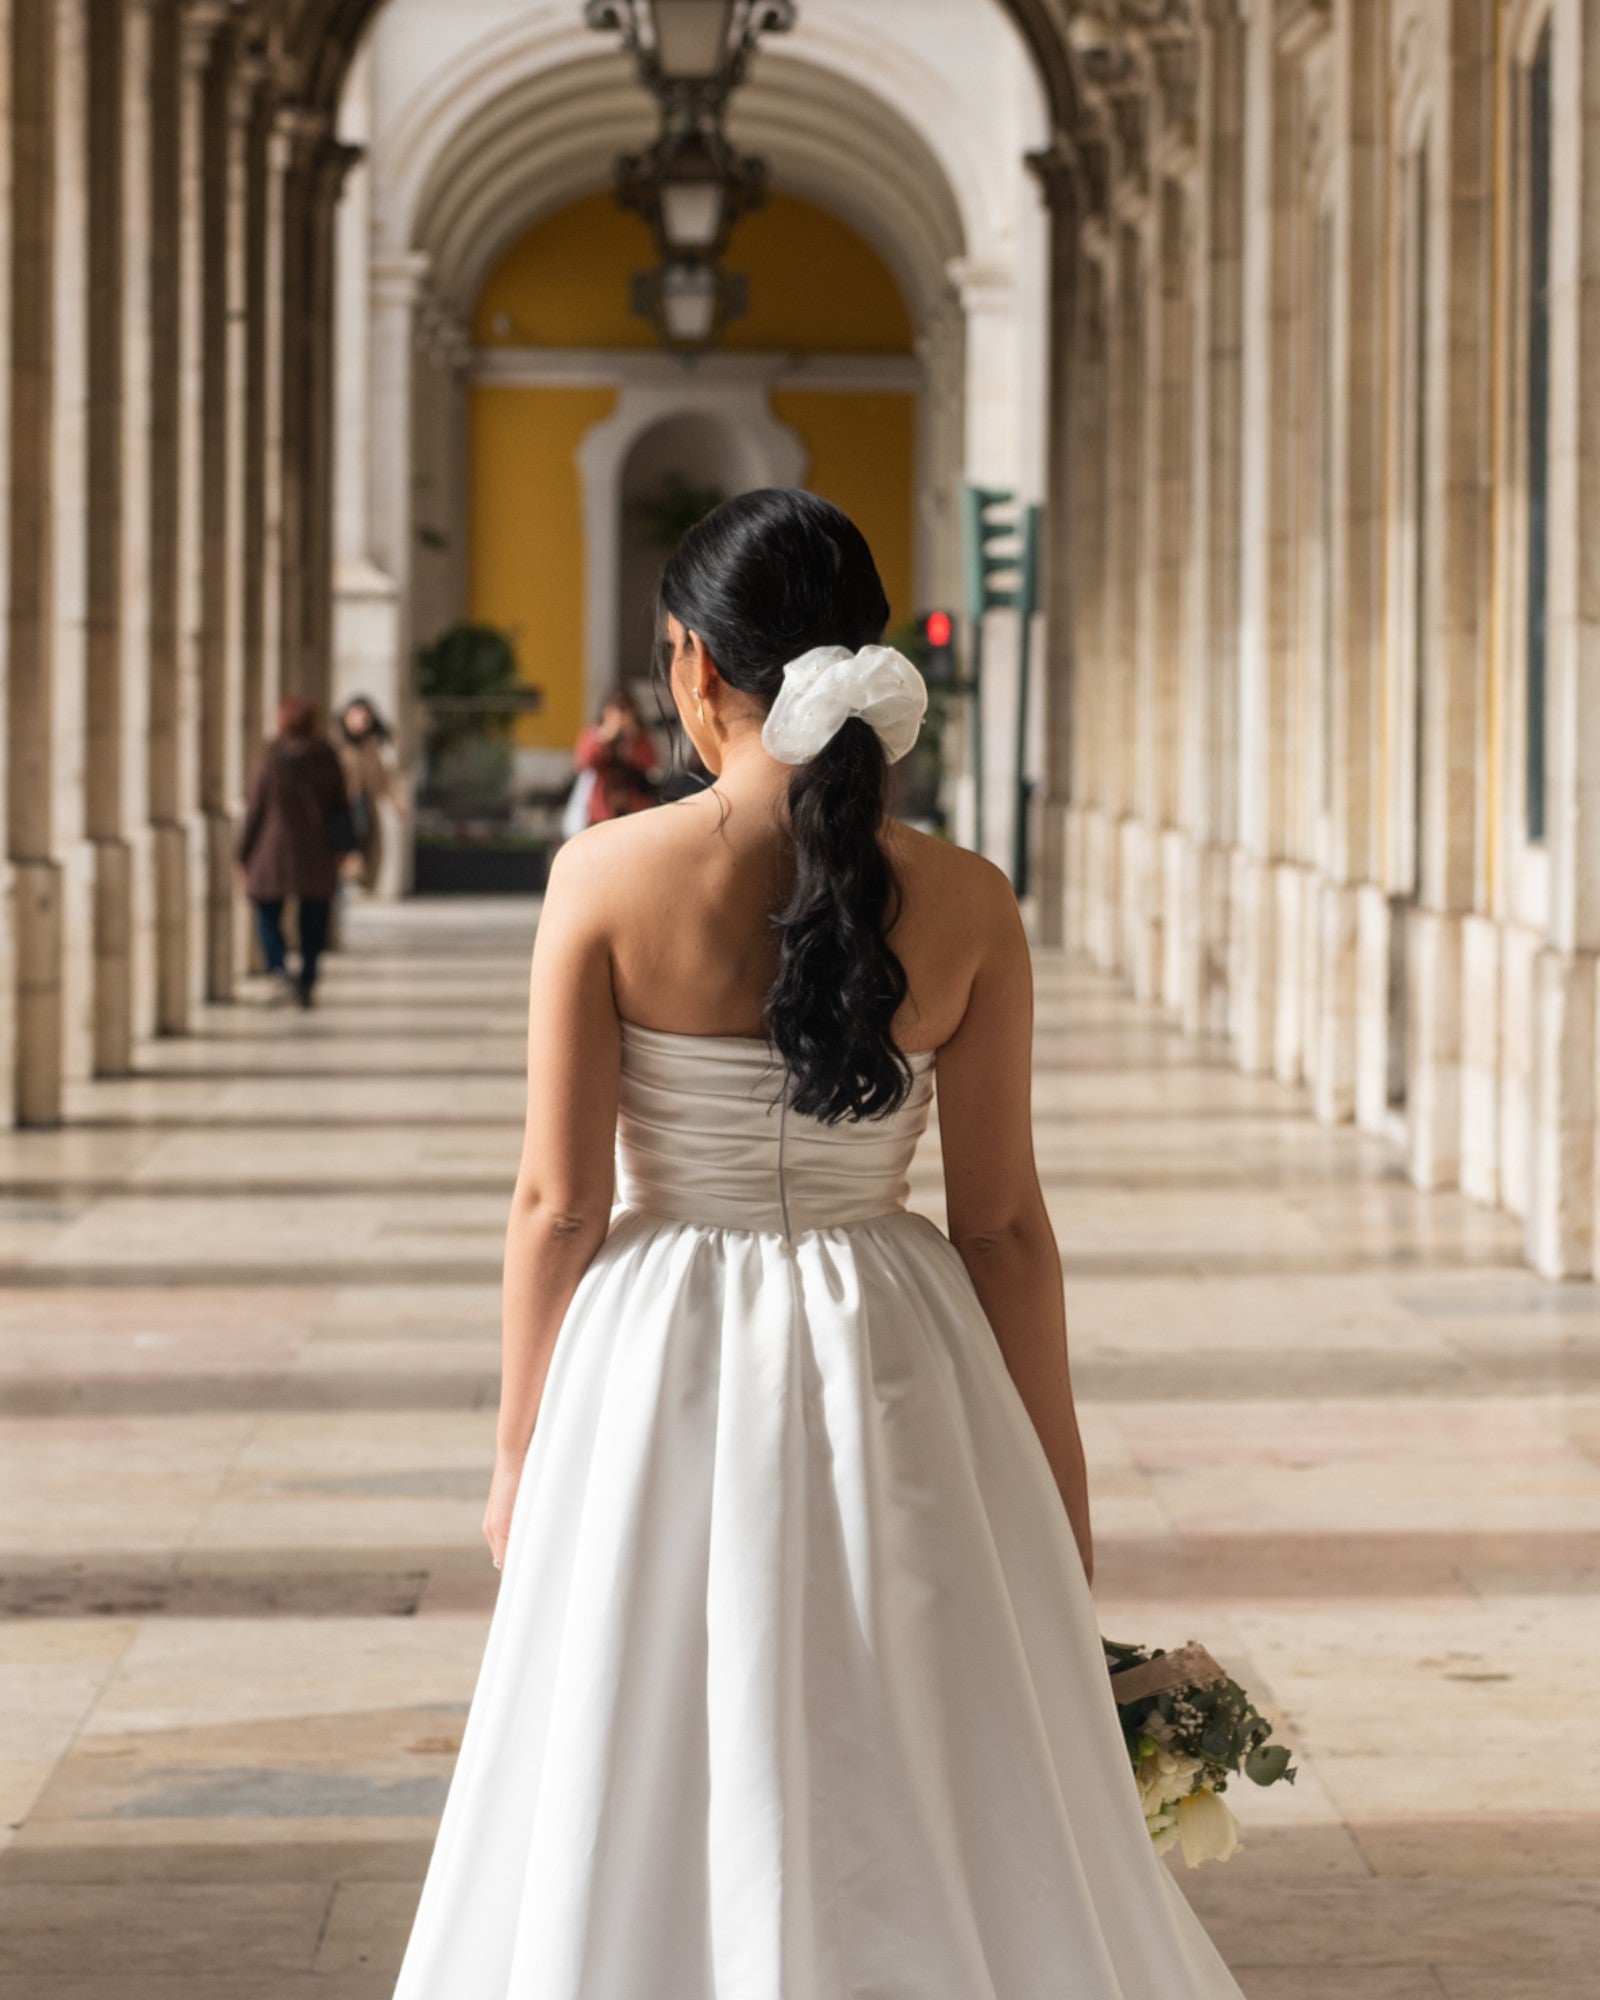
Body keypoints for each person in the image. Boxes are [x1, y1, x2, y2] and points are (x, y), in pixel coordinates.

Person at [392, 490, 1247, 1998]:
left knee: (634, 1724)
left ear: (693, 668)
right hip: (894, 1338)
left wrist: (522, 1445)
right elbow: (1000, 1226)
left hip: (657, 1349)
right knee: (905, 1722)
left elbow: (561, 1206)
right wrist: (1055, 1475)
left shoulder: (603, 877)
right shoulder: (974, 902)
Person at [236, 697, 351, 1010]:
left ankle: (279, 969)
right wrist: (343, 846)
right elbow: (341, 804)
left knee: (267, 912)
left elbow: (255, 810)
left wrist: (242, 853)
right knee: (313, 917)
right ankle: (309, 977)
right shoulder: (326, 756)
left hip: (273, 848)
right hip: (317, 850)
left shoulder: (272, 758)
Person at [335, 694, 408, 893]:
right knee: (341, 857)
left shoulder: (372, 746)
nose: (361, 721)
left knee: (366, 856)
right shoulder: (337, 744)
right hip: (340, 810)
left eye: (366, 717)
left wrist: (398, 802)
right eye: (356, 715)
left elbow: (386, 777)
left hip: (362, 809)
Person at [570, 686, 658, 826]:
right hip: (601, 813)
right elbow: (583, 762)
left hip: (634, 813)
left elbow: (650, 764)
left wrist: (632, 739)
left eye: (625, 710)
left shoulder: (640, 738)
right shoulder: (594, 736)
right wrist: (605, 736)